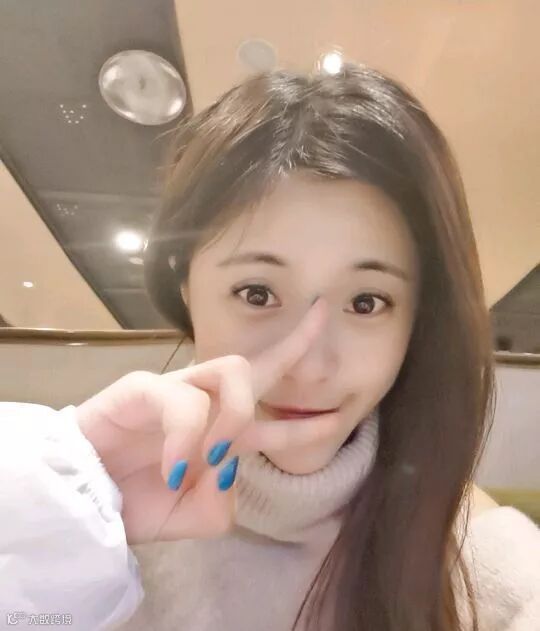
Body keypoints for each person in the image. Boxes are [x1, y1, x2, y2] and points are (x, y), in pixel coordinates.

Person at [1, 64, 539, 631]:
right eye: (257, 293)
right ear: (187, 288)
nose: (309, 365)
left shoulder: (474, 557)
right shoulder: (90, 508)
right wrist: (48, 522)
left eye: (366, 302)